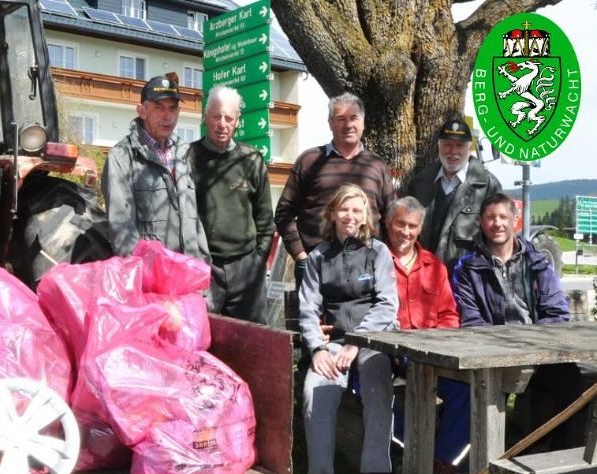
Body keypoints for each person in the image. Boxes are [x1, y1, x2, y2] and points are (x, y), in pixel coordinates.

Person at [298, 184, 399, 474]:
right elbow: (308, 310)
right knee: (316, 390)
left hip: (373, 341)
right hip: (334, 342)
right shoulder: (317, 258)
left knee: (377, 384)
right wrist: (317, 350)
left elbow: (387, 304)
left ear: (366, 216)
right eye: (344, 209)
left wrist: (358, 342)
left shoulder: (379, 253)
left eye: (357, 210)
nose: (350, 216)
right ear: (332, 214)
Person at [453, 193, 581, 449]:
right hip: (491, 355)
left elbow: (556, 312)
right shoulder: (467, 267)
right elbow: (471, 320)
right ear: (481, 222)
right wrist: (503, 348)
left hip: (537, 351)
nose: (497, 223)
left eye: (503, 217)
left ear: (515, 220)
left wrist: (531, 346)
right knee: (480, 387)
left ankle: (556, 455)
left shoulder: (537, 262)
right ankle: (486, 455)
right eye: (490, 217)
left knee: (571, 378)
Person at [384, 196, 472, 474]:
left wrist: (437, 344)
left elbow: (449, 315)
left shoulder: (435, 266)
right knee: (375, 390)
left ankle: (441, 461)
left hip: (430, 355)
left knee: (469, 391)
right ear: (388, 224)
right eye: (400, 224)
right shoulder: (374, 261)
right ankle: (408, 454)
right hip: (387, 353)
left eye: (412, 226)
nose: (405, 232)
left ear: (420, 229)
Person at [274, 93, 396, 293]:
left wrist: (384, 258)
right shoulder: (310, 161)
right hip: (317, 268)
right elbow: (284, 213)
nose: (348, 125)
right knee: (314, 324)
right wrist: (301, 256)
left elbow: (390, 216)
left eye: (353, 118)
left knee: (370, 324)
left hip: (367, 268)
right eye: (340, 119)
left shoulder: (376, 165)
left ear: (363, 123)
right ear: (330, 124)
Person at [187, 85, 273, 323]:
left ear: (237, 121)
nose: (221, 124)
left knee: (250, 344)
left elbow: (266, 220)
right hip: (205, 268)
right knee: (205, 339)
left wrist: (258, 260)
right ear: (206, 117)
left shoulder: (252, 160)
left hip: (246, 268)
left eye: (228, 118)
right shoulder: (189, 159)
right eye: (216, 116)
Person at [102, 75, 210, 262]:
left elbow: (195, 219)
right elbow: (122, 231)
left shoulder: (185, 154)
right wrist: (149, 276)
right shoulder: (121, 158)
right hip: (152, 282)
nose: (167, 116)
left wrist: (204, 262)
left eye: (172, 108)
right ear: (142, 111)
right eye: (159, 107)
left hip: (190, 276)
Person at [407, 118, 502, 274]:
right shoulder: (420, 183)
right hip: (424, 277)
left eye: (459, 146)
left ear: (469, 148)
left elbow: (497, 239)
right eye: (447, 145)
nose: (453, 151)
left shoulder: (487, 186)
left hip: (466, 281)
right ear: (438, 146)